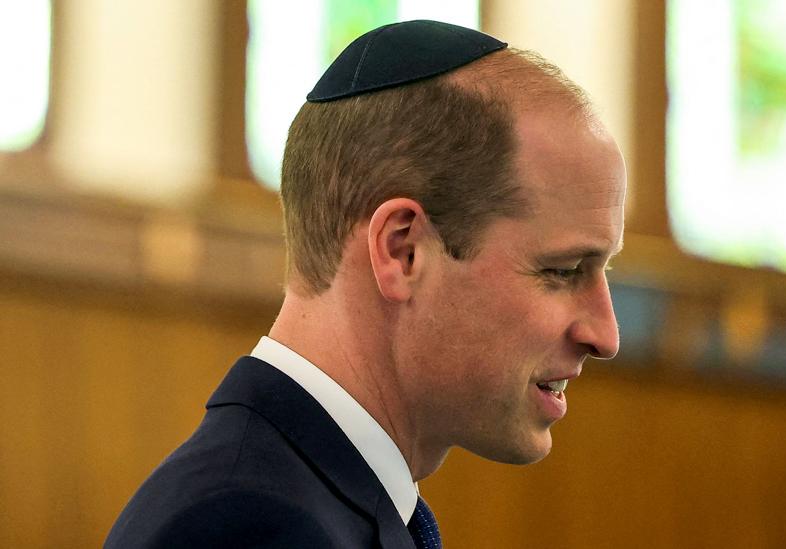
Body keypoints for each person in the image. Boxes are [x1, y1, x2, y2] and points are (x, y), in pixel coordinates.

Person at [106, 19, 625, 548]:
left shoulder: (316, 501)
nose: (606, 336)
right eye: (562, 271)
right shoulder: (247, 525)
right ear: (403, 251)